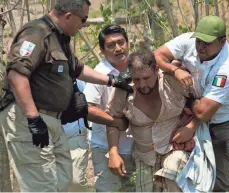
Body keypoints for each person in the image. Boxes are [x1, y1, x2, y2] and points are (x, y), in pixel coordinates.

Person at [0, 0, 131, 192]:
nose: (84, 24)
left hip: (53, 118)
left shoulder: (59, 38)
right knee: (40, 184)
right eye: (83, 19)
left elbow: (77, 69)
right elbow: (16, 74)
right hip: (28, 117)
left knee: (64, 181)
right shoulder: (36, 33)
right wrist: (33, 119)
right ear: (69, 16)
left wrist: (112, 80)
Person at [154, 15, 229, 192]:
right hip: (206, 125)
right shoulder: (187, 40)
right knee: (215, 180)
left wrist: (187, 98)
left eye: (207, 43)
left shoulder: (226, 69)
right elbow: (157, 56)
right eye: (199, 40)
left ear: (223, 41)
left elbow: (203, 111)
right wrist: (175, 70)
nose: (200, 46)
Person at [106, 50, 216, 192]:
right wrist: (113, 153)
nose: (142, 84)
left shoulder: (173, 82)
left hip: (174, 148)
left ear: (156, 70)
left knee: (173, 174)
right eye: (137, 79)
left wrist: (191, 126)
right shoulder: (124, 89)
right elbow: (113, 120)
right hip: (145, 155)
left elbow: (202, 107)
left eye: (146, 78)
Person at [84, 24, 135, 192]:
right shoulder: (99, 74)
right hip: (105, 147)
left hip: (137, 146)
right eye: (111, 45)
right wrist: (116, 122)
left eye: (121, 42)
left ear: (128, 43)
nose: (118, 49)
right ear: (102, 49)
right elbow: (87, 108)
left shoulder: (138, 67)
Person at [62, 79, 89, 192]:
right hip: (48, 139)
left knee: (76, 181)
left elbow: (89, 106)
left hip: (74, 137)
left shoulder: (76, 80)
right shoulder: (39, 79)